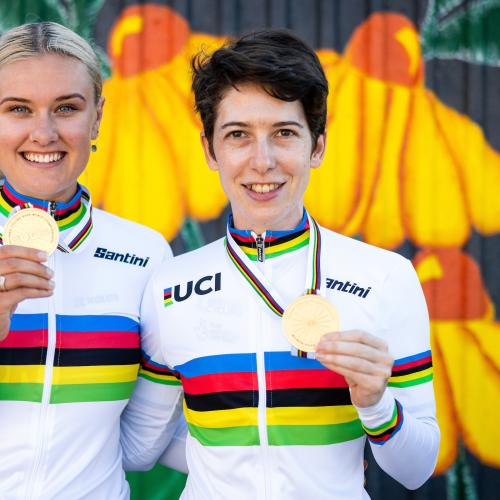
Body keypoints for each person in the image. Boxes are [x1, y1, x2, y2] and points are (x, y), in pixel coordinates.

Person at [128, 29, 440, 499]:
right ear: (210, 150)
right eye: (238, 136)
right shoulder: (170, 284)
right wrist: (221, 458)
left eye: (284, 133)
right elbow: (138, 449)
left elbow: (416, 468)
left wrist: (377, 405)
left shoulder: (386, 276)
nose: (262, 161)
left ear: (316, 146)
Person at [0, 22, 183, 499]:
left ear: (97, 118)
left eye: (67, 108)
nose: (43, 133)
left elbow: (143, 441)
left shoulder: (145, 255)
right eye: (18, 109)